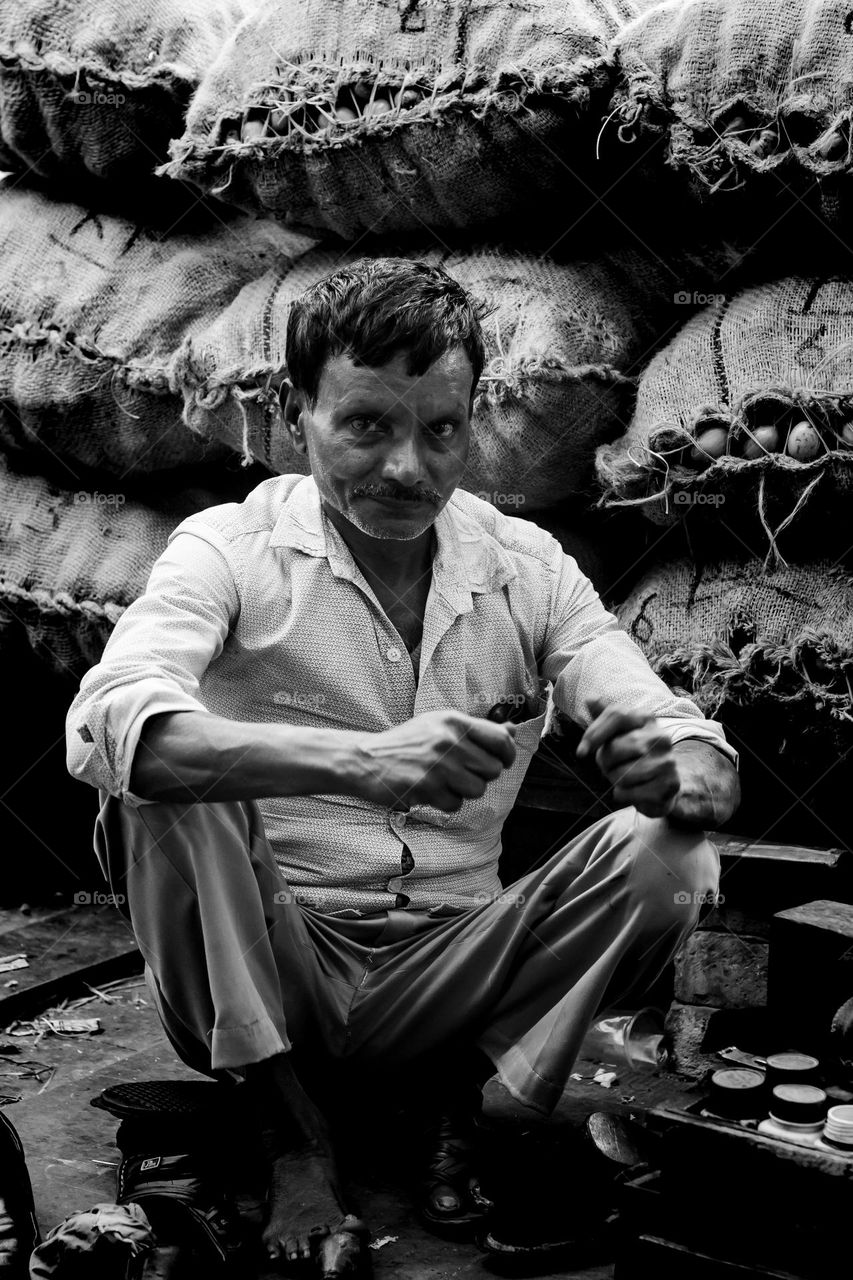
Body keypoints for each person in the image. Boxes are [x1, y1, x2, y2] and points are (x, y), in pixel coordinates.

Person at [66, 257, 740, 1275]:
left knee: (672, 855)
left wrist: (671, 765)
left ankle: (475, 1106)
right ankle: (288, 1129)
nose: (408, 470)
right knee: (164, 784)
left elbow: (678, 734)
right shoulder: (229, 549)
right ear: (298, 417)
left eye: (441, 430)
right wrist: (360, 763)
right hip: (269, 964)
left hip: (451, 966)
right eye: (367, 425)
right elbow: (106, 721)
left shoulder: (528, 566)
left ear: (475, 420)